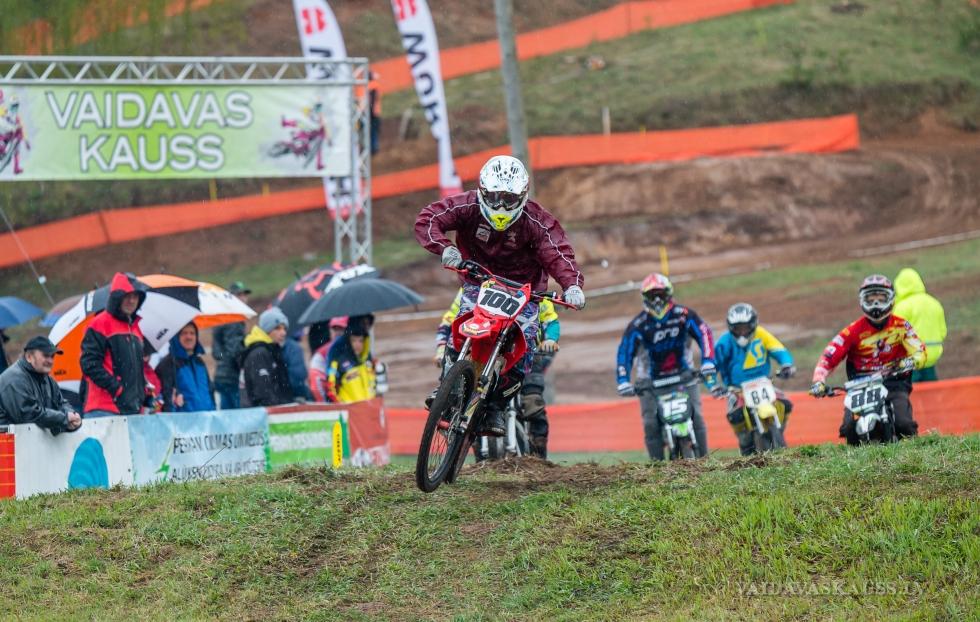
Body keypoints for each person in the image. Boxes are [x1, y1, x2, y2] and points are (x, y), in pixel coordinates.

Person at [414, 154, 585, 436]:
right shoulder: (467, 206)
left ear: (522, 196)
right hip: (478, 281)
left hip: (525, 292)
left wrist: (572, 286)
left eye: (509, 199)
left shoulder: (537, 220)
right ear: (482, 192)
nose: (501, 206)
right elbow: (428, 218)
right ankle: (446, 385)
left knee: (523, 350)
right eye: (494, 198)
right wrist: (444, 247)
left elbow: (558, 252)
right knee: (462, 327)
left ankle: (495, 408)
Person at [434, 289, 561, 458]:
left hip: (529, 355)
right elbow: (452, 319)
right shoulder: (476, 286)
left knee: (533, 402)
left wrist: (550, 339)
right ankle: (475, 450)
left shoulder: (536, 290)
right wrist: (441, 346)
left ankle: (540, 458)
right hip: (488, 352)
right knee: (472, 397)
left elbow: (551, 321)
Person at [810, 274, 927, 445]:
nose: (876, 304)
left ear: (891, 299)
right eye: (870, 300)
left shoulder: (901, 326)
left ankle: (915, 454)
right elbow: (829, 356)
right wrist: (818, 381)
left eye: (881, 298)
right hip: (861, 385)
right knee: (848, 427)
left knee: (904, 424)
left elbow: (920, 352)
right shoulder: (852, 331)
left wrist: (909, 362)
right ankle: (854, 458)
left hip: (894, 380)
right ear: (862, 300)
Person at [615, 273, 719, 459]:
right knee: (650, 424)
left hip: (684, 376)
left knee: (696, 416)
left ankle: (705, 461)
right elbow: (624, 352)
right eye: (652, 295)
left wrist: (708, 362)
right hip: (650, 383)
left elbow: (704, 333)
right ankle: (656, 468)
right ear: (645, 297)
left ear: (669, 294)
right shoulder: (638, 325)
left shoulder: (684, 315)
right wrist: (623, 380)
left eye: (660, 294)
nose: (657, 300)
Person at [714, 303, 796, 456]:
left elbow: (779, 349)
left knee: (785, 404)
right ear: (731, 328)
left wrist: (786, 365)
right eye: (738, 329)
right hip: (737, 390)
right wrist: (714, 385)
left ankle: (779, 430)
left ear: (753, 324)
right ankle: (744, 444)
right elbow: (712, 367)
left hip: (764, 383)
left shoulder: (761, 334)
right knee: (735, 415)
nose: (742, 332)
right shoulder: (724, 343)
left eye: (745, 327)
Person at [80, 272, 146, 417]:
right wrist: (117, 389)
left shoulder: (135, 328)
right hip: (104, 409)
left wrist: (144, 392)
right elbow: (89, 364)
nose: (132, 300)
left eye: (135, 296)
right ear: (117, 298)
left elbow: (137, 368)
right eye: (127, 296)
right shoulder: (99, 323)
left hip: (131, 410)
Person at [0, 336, 81, 434]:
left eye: (52, 356)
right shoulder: (14, 379)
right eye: (46, 355)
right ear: (29, 357)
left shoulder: (48, 380)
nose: (50, 361)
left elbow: (61, 403)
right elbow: (28, 415)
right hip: (8, 442)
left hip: (29, 441)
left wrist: (71, 416)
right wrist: (64, 419)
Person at [893, 268, 947, 382]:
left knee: (912, 388)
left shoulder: (902, 307)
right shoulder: (934, 303)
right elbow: (943, 331)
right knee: (932, 387)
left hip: (911, 358)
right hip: (932, 355)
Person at [156, 322, 216, 413]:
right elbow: (166, 399)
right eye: (184, 333)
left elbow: (210, 391)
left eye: (192, 333)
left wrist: (213, 411)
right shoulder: (168, 364)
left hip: (206, 419)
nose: (189, 337)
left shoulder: (200, 362)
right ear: (177, 337)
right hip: (184, 420)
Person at [240, 308, 293, 407]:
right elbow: (263, 392)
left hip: (277, 410)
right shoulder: (259, 353)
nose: (283, 333)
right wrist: (278, 408)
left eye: (284, 328)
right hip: (266, 413)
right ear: (267, 330)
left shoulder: (273, 350)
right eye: (277, 328)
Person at [212, 281, 250, 409]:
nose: (243, 298)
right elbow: (235, 351)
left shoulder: (222, 317)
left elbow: (217, 352)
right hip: (232, 376)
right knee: (237, 416)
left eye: (245, 294)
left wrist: (224, 360)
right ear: (230, 298)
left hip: (222, 375)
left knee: (227, 414)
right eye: (239, 295)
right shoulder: (234, 319)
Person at [324, 318, 378, 404]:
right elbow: (330, 390)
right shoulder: (338, 361)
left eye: (360, 341)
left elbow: (375, 387)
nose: (357, 345)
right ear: (349, 342)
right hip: (349, 409)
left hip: (369, 408)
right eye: (354, 341)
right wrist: (343, 406)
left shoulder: (368, 362)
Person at [309, 316, 348, 402]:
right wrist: (326, 404)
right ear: (330, 331)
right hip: (331, 398)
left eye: (341, 329)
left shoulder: (355, 350)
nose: (338, 333)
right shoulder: (321, 353)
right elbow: (316, 383)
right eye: (335, 329)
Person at [283, 329, 314, 402]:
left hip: (285, 394)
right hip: (296, 394)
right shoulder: (294, 348)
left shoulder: (286, 346)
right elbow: (298, 375)